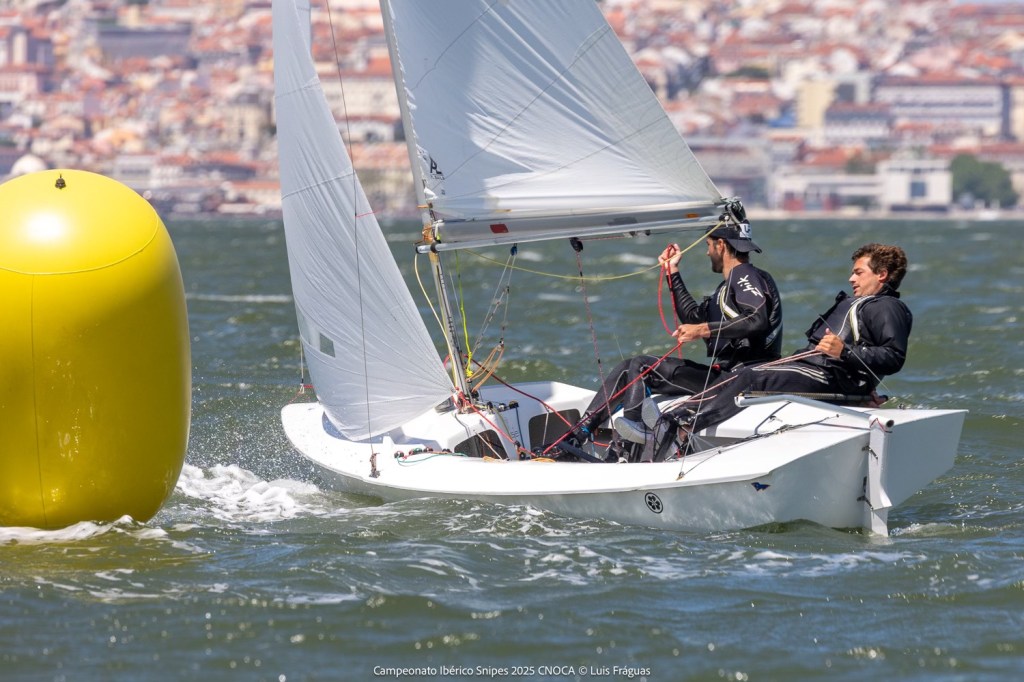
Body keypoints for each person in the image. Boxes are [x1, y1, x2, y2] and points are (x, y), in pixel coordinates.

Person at [650, 242, 911, 458]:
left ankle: (684, 426)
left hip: (830, 377)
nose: (851, 278)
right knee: (746, 373)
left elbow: (894, 357)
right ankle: (676, 422)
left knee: (752, 376)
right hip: (818, 372)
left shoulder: (887, 306)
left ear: (882, 274)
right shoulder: (865, 303)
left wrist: (844, 352)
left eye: (858, 272)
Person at [550, 216, 783, 458]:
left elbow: (757, 319)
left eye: (708, 245)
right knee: (628, 368)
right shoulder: (726, 288)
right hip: (722, 376)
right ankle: (577, 436)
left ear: (721, 245)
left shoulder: (745, 275)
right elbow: (693, 318)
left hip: (740, 379)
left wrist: (703, 330)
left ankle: (627, 447)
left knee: (642, 366)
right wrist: (673, 271)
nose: (707, 252)